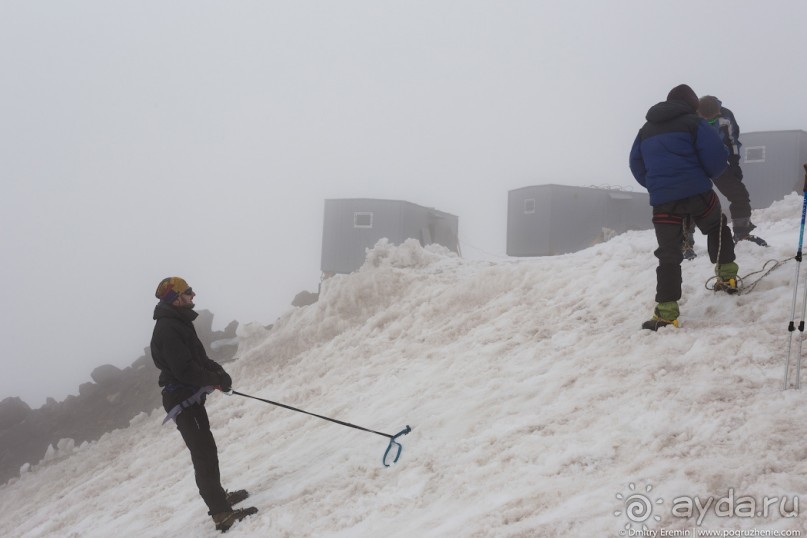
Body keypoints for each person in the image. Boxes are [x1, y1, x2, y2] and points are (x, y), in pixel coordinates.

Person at [150, 276, 258, 532]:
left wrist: (219, 373)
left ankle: (218, 498)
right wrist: (215, 380)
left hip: (188, 398)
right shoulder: (168, 328)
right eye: (187, 292)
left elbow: (197, 358)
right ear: (175, 298)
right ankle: (221, 513)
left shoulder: (178, 323)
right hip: (182, 401)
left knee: (207, 451)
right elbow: (185, 369)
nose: (193, 295)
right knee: (204, 455)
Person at [629, 84, 739, 331]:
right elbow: (714, 157)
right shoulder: (694, 123)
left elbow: (635, 163)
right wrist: (706, 177)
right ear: (691, 105)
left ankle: (666, 314)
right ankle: (727, 277)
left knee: (668, 253)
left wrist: (657, 185)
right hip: (697, 193)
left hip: (664, 201)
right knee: (716, 226)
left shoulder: (645, 130)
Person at [682, 96, 768, 258]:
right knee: (690, 199)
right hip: (696, 165)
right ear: (698, 112)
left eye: (712, 118)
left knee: (739, 194)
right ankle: (686, 242)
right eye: (705, 119)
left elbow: (732, 140)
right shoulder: (691, 118)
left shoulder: (726, 116)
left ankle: (742, 233)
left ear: (718, 112)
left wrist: (734, 163)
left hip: (718, 162)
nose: (709, 121)